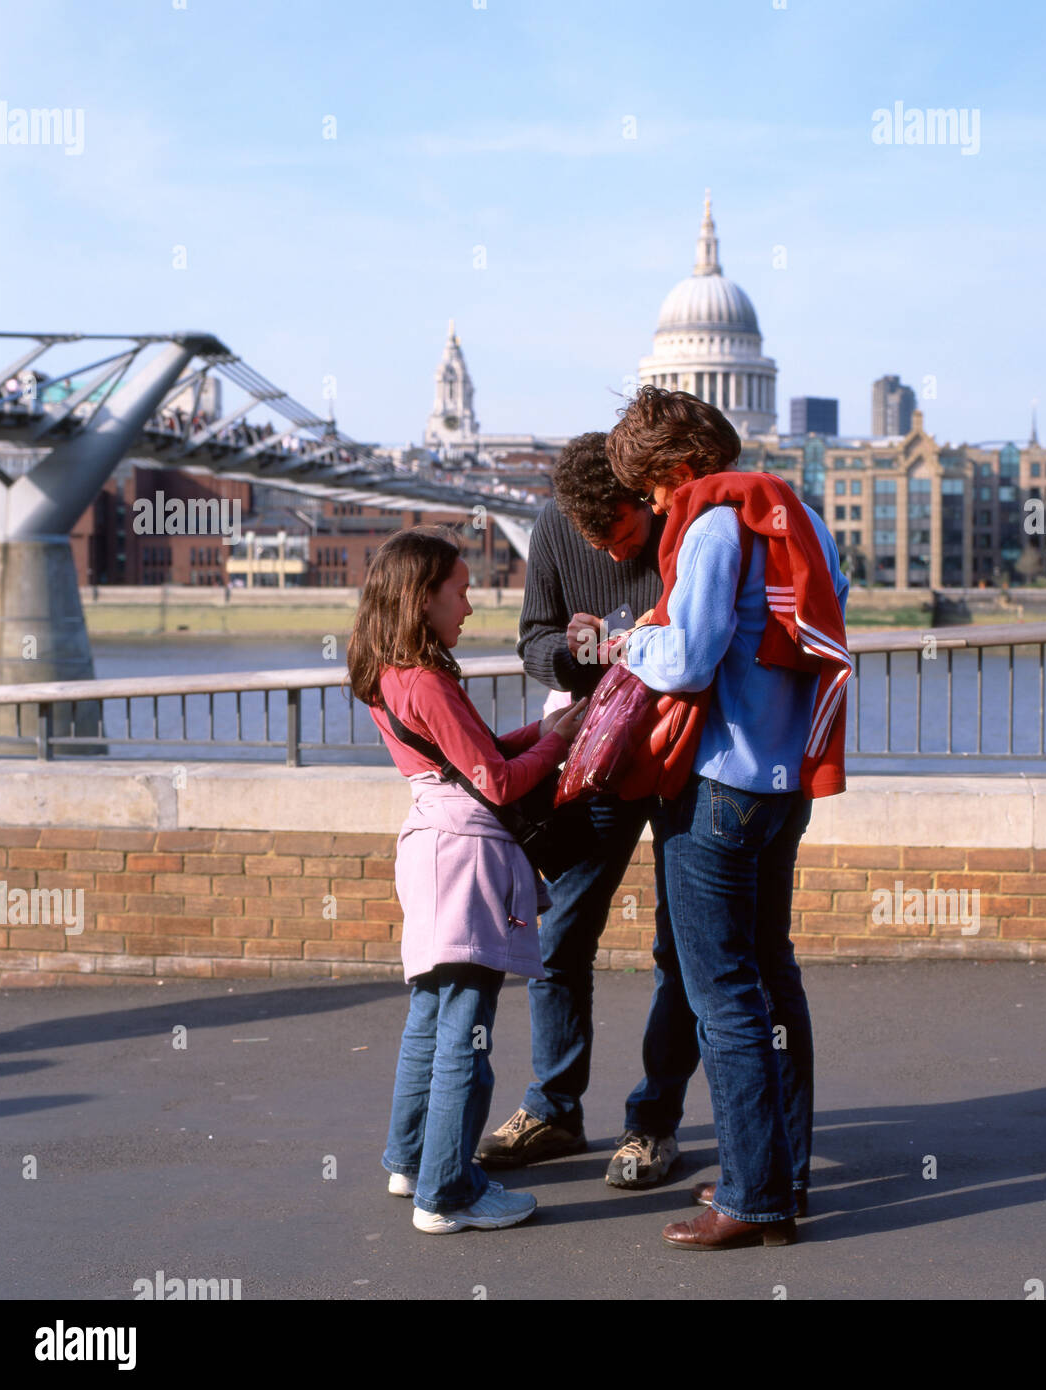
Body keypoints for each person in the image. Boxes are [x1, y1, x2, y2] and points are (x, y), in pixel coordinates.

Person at [604, 385, 851, 1251]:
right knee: (773, 977)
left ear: (678, 470)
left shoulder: (713, 524)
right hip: (782, 787)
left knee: (724, 999)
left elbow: (687, 659)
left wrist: (628, 637)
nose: (655, 511)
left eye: (653, 494)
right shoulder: (802, 520)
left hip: (715, 787)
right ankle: (783, 1175)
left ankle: (750, 1199)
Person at [475, 431, 702, 1189]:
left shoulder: (688, 523)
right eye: (592, 542)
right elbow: (534, 639)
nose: (610, 556)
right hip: (596, 755)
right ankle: (554, 1108)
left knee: (683, 950)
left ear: (644, 499)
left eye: (622, 537)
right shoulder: (550, 528)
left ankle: (653, 1123)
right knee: (560, 936)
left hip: (683, 756)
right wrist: (575, 657)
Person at [346, 526, 588, 1234]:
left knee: (429, 1017)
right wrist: (559, 742)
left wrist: (549, 731)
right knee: (465, 1033)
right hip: (468, 856)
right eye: (459, 590)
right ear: (422, 598)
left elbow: (464, 760)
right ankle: (447, 1193)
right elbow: (502, 784)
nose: (471, 606)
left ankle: (410, 1159)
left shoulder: (387, 674)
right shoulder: (429, 678)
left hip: (429, 842)